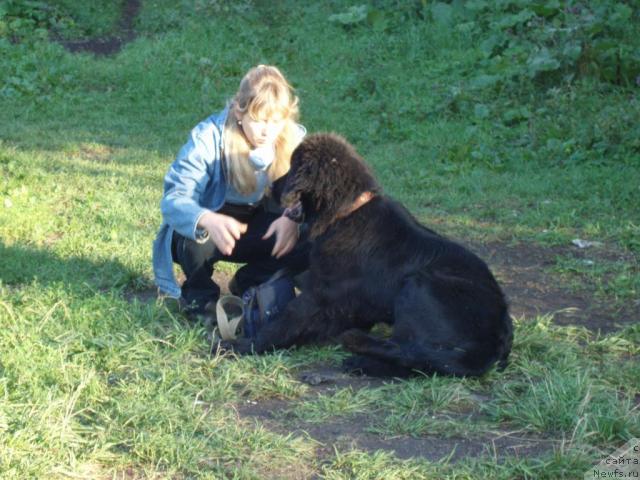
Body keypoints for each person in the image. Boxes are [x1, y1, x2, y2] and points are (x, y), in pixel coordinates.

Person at [152, 65, 308, 317]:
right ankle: (199, 297)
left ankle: (252, 280)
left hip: (259, 226)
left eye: (276, 121)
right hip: (213, 229)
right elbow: (173, 199)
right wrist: (206, 218)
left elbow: (313, 196)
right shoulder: (208, 137)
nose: (268, 131)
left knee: (312, 234)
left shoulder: (294, 141)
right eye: (259, 120)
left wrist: (293, 218)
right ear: (239, 110)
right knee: (194, 236)